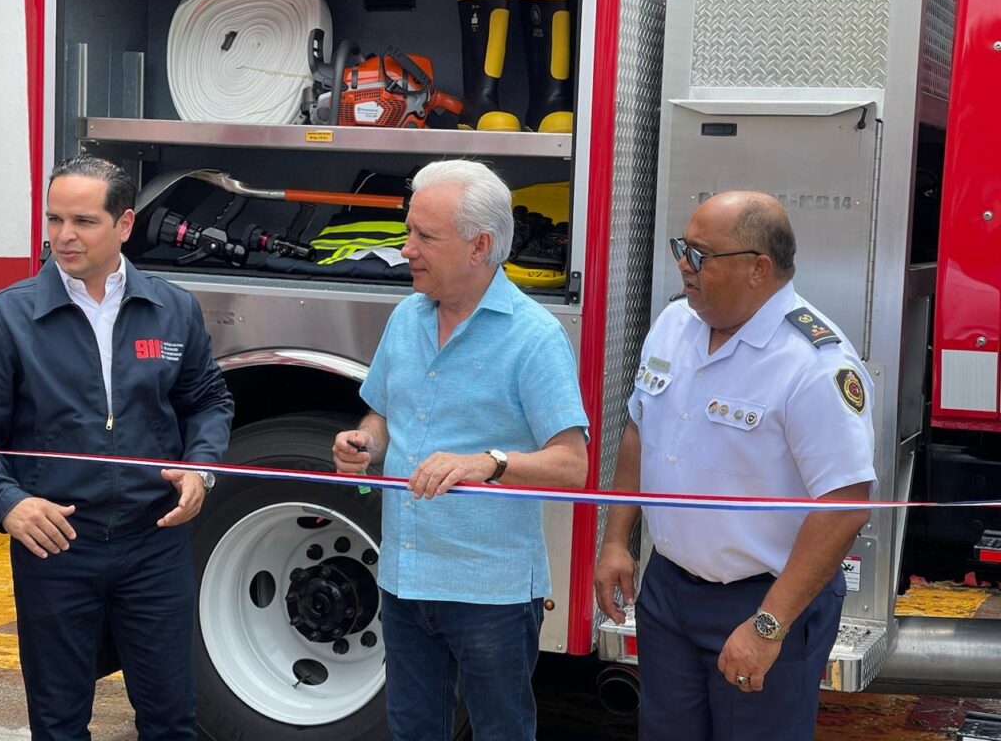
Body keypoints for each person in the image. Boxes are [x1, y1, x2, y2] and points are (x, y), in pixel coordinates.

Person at [594, 191, 875, 741]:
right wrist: (615, 540)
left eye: (700, 254)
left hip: (762, 600)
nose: (683, 264)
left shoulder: (814, 363)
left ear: (758, 268)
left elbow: (844, 506)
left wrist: (769, 626)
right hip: (669, 591)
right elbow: (639, 429)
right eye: (682, 247)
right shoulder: (676, 323)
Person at [0, 154, 234, 740]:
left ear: (124, 224)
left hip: (155, 544)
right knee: (60, 724)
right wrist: (7, 504)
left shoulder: (172, 309)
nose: (64, 236)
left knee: (171, 720)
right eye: (54, 219)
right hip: (56, 545)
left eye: (84, 221)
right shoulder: (5, 318)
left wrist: (201, 469)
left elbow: (209, 402)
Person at [332, 159, 588, 741]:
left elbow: (572, 465)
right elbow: (384, 413)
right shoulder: (406, 317)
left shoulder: (534, 337)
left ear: (480, 247)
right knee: (412, 732)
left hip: (488, 591)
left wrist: (487, 463)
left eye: (424, 236)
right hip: (403, 577)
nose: (406, 248)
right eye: (408, 231)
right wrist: (365, 442)